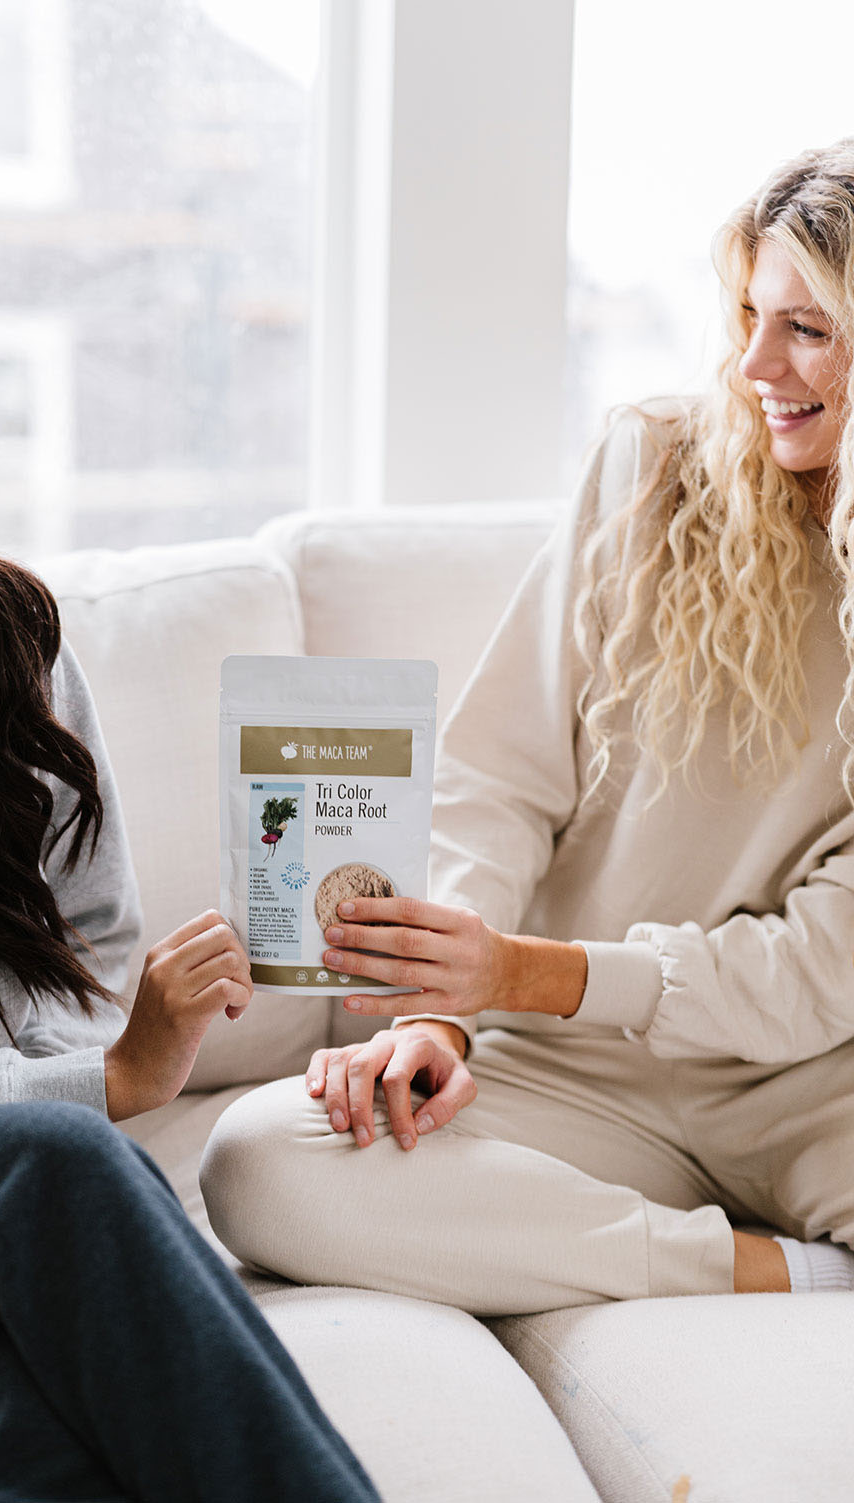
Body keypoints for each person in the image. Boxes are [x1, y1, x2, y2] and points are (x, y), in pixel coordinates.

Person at [200, 138, 854, 1313]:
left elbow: (824, 968)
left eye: (806, 329)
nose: (754, 364)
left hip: (813, 1086)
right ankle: (766, 1271)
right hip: (577, 1061)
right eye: (749, 318)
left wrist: (520, 972)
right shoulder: (654, 468)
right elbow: (499, 779)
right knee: (260, 1163)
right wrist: (446, 1010)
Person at [0, 268, 381, 1503]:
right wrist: (92, 1088)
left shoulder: (2, 649)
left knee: (27, 1413)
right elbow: (56, 1119)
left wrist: (87, 1064)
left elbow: (85, 948)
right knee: (63, 1168)